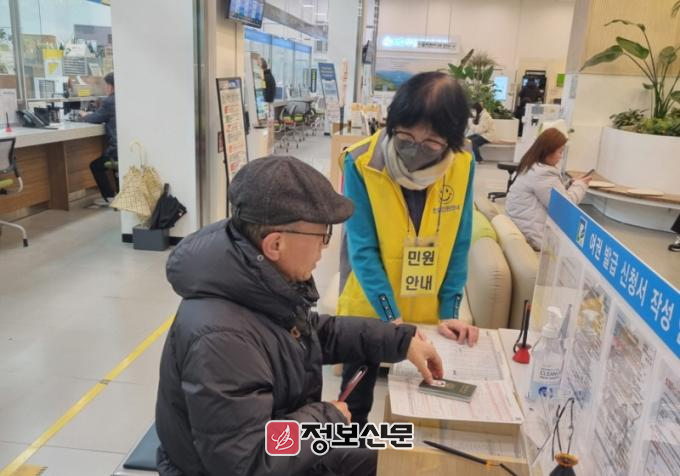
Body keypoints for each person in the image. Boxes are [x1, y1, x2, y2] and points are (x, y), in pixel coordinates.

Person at [155, 155, 445, 476]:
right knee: (404, 464)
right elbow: (249, 461)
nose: (324, 248)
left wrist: (400, 341)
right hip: (252, 464)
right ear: (275, 244)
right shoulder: (222, 338)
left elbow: (311, 333)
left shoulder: (253, 280)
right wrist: (326, 420)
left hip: (286, 447)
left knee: (403, 453)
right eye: (322, 235)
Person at [337, 71, 480, 429]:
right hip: (369, 309)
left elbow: (459, 242)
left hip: (426, 310)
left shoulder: (463, 163)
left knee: (426, 407)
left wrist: (449, 312)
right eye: (405, 137)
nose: (416, 148)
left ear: (451, 139)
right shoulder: (360, 162)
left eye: (431, 141)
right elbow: (363, 249)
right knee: (353, 409)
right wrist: (393, 323)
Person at [505, 128, 591, 251]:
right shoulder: (543, 174)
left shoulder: (531, 166)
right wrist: (580, 186)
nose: (561, 157)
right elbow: (565, 206)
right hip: (535, 236)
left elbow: (550, 194)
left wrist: (569, 185)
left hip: (522, 227)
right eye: (560, 152)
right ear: (548, 151)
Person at [80, 72, 117, 207]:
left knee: (96, 166)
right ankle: (119, 196)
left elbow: (95, 118)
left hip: (116, 151)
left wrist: (84, 115)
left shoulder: (110, 101)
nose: (106, 88)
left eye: (107, 85)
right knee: (114, 167)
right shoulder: (125, 98)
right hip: (124, 148)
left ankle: (109, 197)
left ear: (111, 86)